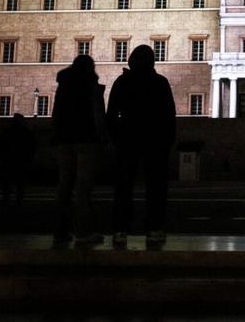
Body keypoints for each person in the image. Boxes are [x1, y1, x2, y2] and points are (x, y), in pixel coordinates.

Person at [107, 45, 176, 246]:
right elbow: (169, 115)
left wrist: (115, 138)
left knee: (123, 187)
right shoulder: (160, 82)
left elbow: (111, 113)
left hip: (127, 140)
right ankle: (154, 229)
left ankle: (120, 230)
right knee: (156, 188)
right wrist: (168, 140)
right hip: (155, 141)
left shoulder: (122, 81)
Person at [51, 55, 108, 246]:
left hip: (64, 141)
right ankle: (83, 231)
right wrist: (103, 137)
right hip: (86, 140)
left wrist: (56, 136)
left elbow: (56, 114)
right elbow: (98, 114)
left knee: (64, 187)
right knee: (83, 187)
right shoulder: (90, 85)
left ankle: (60, 232)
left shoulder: (63, 85)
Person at [0, 113, 36, 206]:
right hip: (21, 160)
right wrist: (29, 158)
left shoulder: (7, 132)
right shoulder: (26, 132)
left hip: (8, 160)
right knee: (20, 183)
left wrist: (1, 158)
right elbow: (32, 146)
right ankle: (19, 201)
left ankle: (6, 200)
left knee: (7, 182)